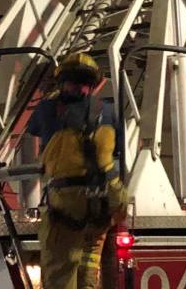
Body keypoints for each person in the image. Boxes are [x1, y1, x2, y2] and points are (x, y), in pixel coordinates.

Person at [27, 53, 128, 289]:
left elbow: (33, 129)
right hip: (108, 198)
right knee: (90, 255)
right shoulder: (110, 111)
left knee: (60, 267)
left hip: (67, 201)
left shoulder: (48, 109)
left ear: (62, 82)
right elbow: (118, 151)